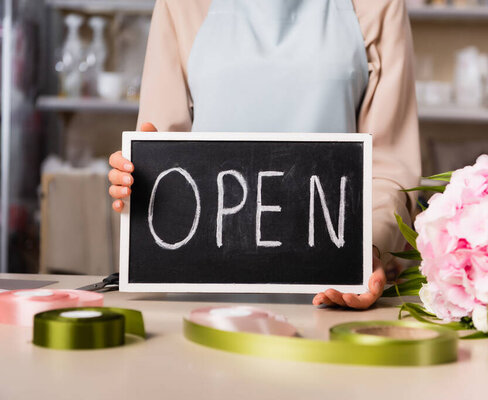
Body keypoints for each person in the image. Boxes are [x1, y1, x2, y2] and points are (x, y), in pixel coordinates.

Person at [108, 0, 421, 309]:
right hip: (201, 297)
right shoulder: (180, 4)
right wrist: (137, 176)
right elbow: (161, 151)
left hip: (329, 292)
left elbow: (389, 165)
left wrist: (367, 249)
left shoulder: (379, 5)